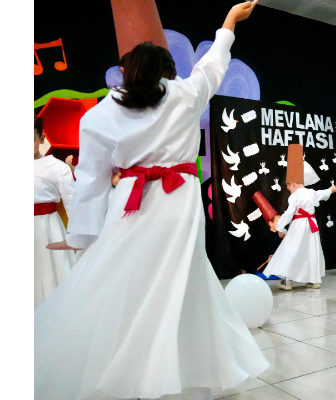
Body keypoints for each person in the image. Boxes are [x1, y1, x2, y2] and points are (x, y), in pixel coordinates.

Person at [35, 2, 268, 400]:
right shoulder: (185, 93)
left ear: (125, 71)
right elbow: (214, 64)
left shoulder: (99, 116)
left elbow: (90, 184)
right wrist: (229, 21)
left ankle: (135, 372)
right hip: (179, 205)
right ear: (167, 68)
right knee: (182, 284)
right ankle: (170, 368)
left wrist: (83, 238)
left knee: (128, 284)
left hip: (132, 202)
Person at [264, 144, 336, 290]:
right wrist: (331, 189)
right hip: (311, 226)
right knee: (310, 250)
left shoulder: (295, 196)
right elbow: (322, 194)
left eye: (289, 187)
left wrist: (279, 225)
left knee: (292, 249)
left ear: (293, 183)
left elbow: (289, 213)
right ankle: (313, 280)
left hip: (299, 225)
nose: (289, 190)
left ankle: (288, 282)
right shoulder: (311, 192)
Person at [34, 113, 76, 309]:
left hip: (46, 227)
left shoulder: (57, 167)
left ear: (41, 138)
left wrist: (77, 237)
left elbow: (72, 204)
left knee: (49, 273)